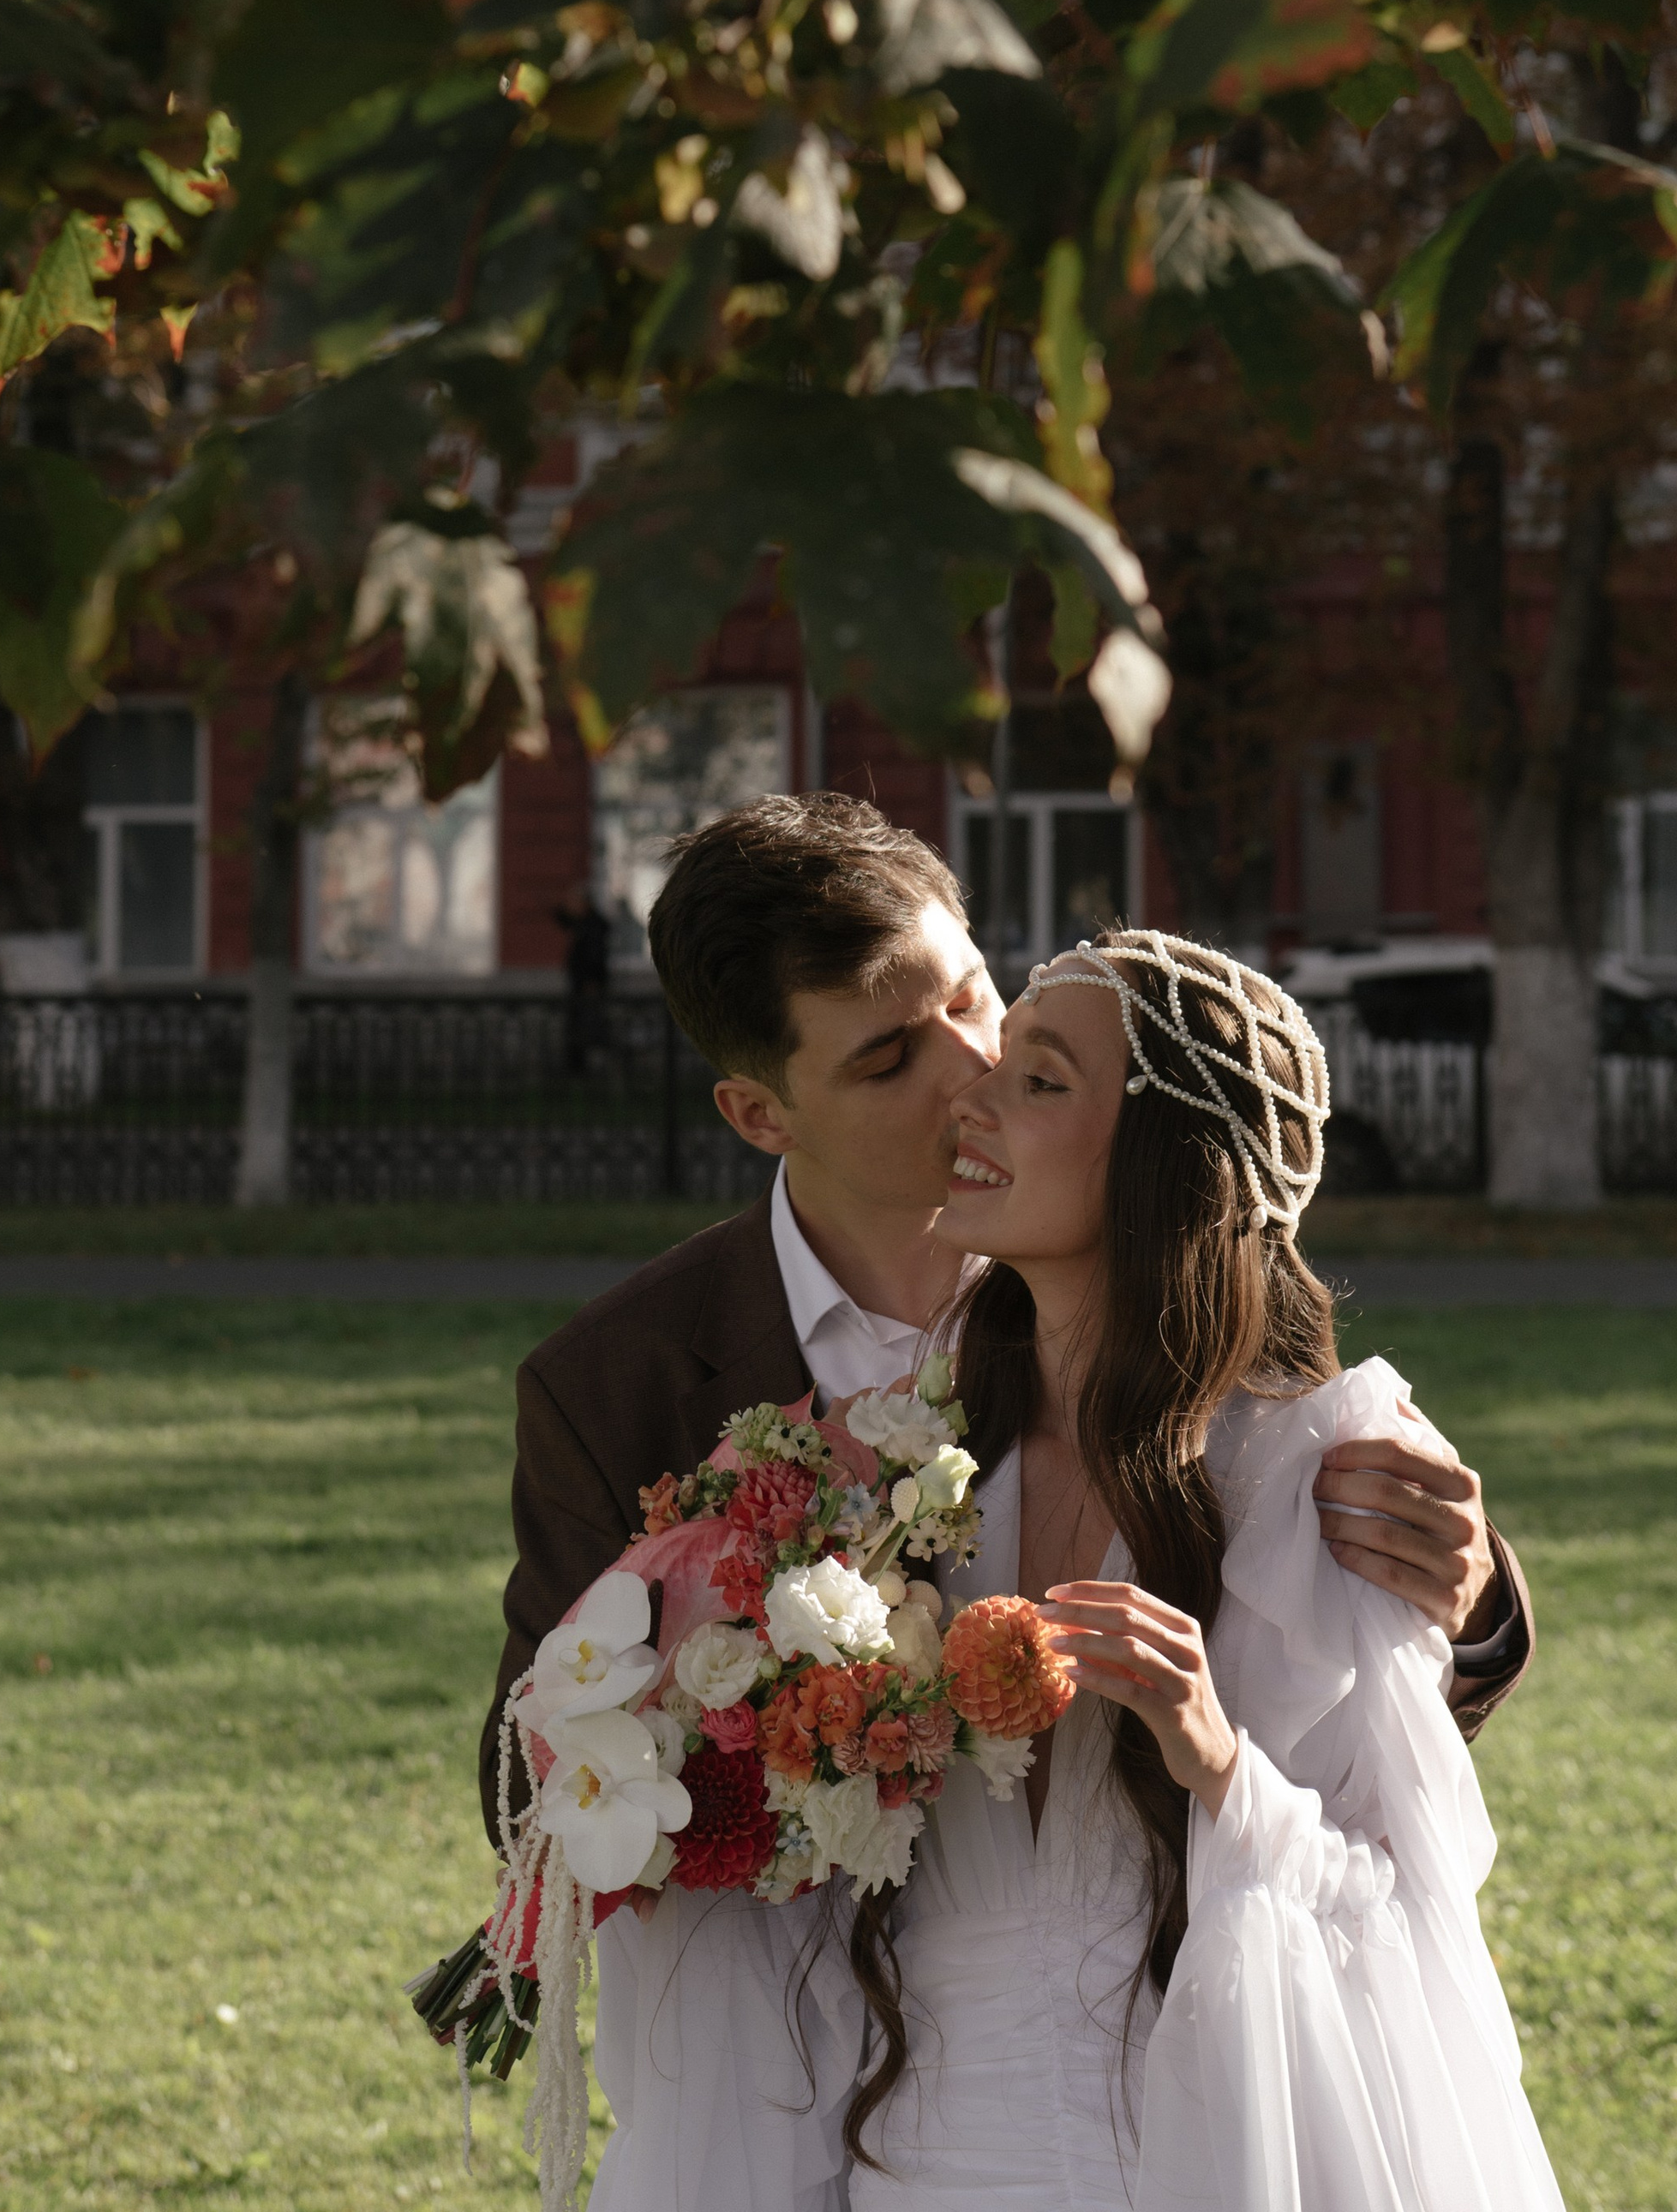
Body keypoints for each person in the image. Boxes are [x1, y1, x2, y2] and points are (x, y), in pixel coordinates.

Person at [481, 802, 1536, 2203]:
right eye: (888, 1056)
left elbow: (1361, 1737)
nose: (973, 1067)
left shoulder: (1131, 1216)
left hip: (1186, 2073)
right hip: (819, 2099)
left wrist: (1465, 1599)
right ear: (761, 1112)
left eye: (975, 996)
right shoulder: (617, 1383)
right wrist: (774, 1720)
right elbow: (537, 1784)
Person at [835, 928, 1566, 2209]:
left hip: (1200, 2137)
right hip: (930, 2150)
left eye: (1039, 1079)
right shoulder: (919, 1454)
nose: (974, 1100)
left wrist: (1220, 1763)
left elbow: (1401, 1903)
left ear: (1168, 1165)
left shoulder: (1314, 1470)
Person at [554, 882, 615, 1073]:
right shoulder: (582, 923)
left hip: (589, 985)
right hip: (580, 983)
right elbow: (560, 918)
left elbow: (594, 955)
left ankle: (589, 1067)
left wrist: (592, 981)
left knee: (589, 1025)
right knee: (577, 1025)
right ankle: (577, 1066)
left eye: (576, 902)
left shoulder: (593, 926)